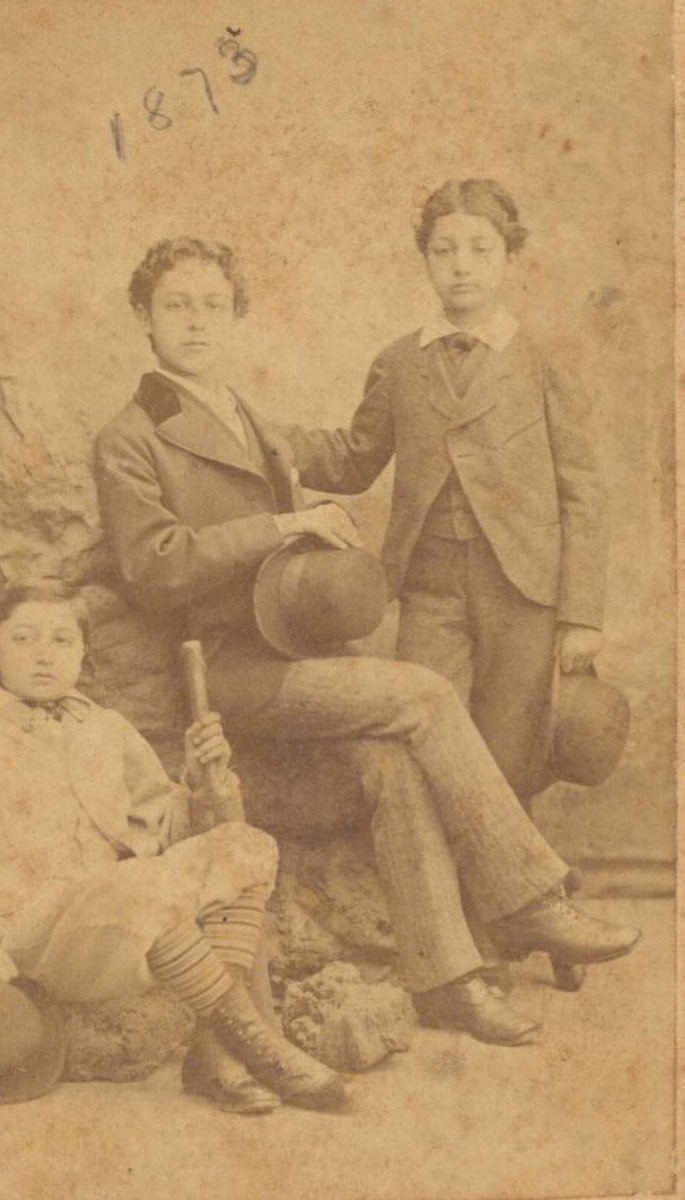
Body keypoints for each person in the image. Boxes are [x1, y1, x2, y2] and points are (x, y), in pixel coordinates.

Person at [93, 236, 639, 1048]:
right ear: (143, 316)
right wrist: (283, 524)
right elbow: (154, 566)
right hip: (227, 669)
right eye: (177, 305)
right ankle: (527, 900)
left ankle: (444, 980)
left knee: (393, 762)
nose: (196, 321)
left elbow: (344, 455)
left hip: (297, 656)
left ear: (236, 317)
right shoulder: (132, 435)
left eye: (213, 305)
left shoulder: (242, 415)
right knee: (423, 694)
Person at [0, 576, 351, 1115]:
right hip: (27, 941)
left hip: (119, 932)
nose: (43, 654)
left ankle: (213, 1053)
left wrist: (203, 782)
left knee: (244, 845)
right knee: (133, 882)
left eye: (62, 639)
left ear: (82, 652)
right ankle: (256, 1042)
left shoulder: (107, 730)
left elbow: (167, 832)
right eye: (23, 639)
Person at [277, 178, 608, 803]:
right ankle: (438, 865)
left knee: (511, 752)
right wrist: (266, 440)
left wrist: (582, 615)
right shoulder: (400, 362)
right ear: (425, 258)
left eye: (481, 250)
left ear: (510, 257)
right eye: (444, 250)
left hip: (523, 588)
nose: (462, 266)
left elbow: (583, 493)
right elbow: (354, 459)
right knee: (426, 735)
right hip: (429, 585)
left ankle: (508, 866)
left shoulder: (542, 361)